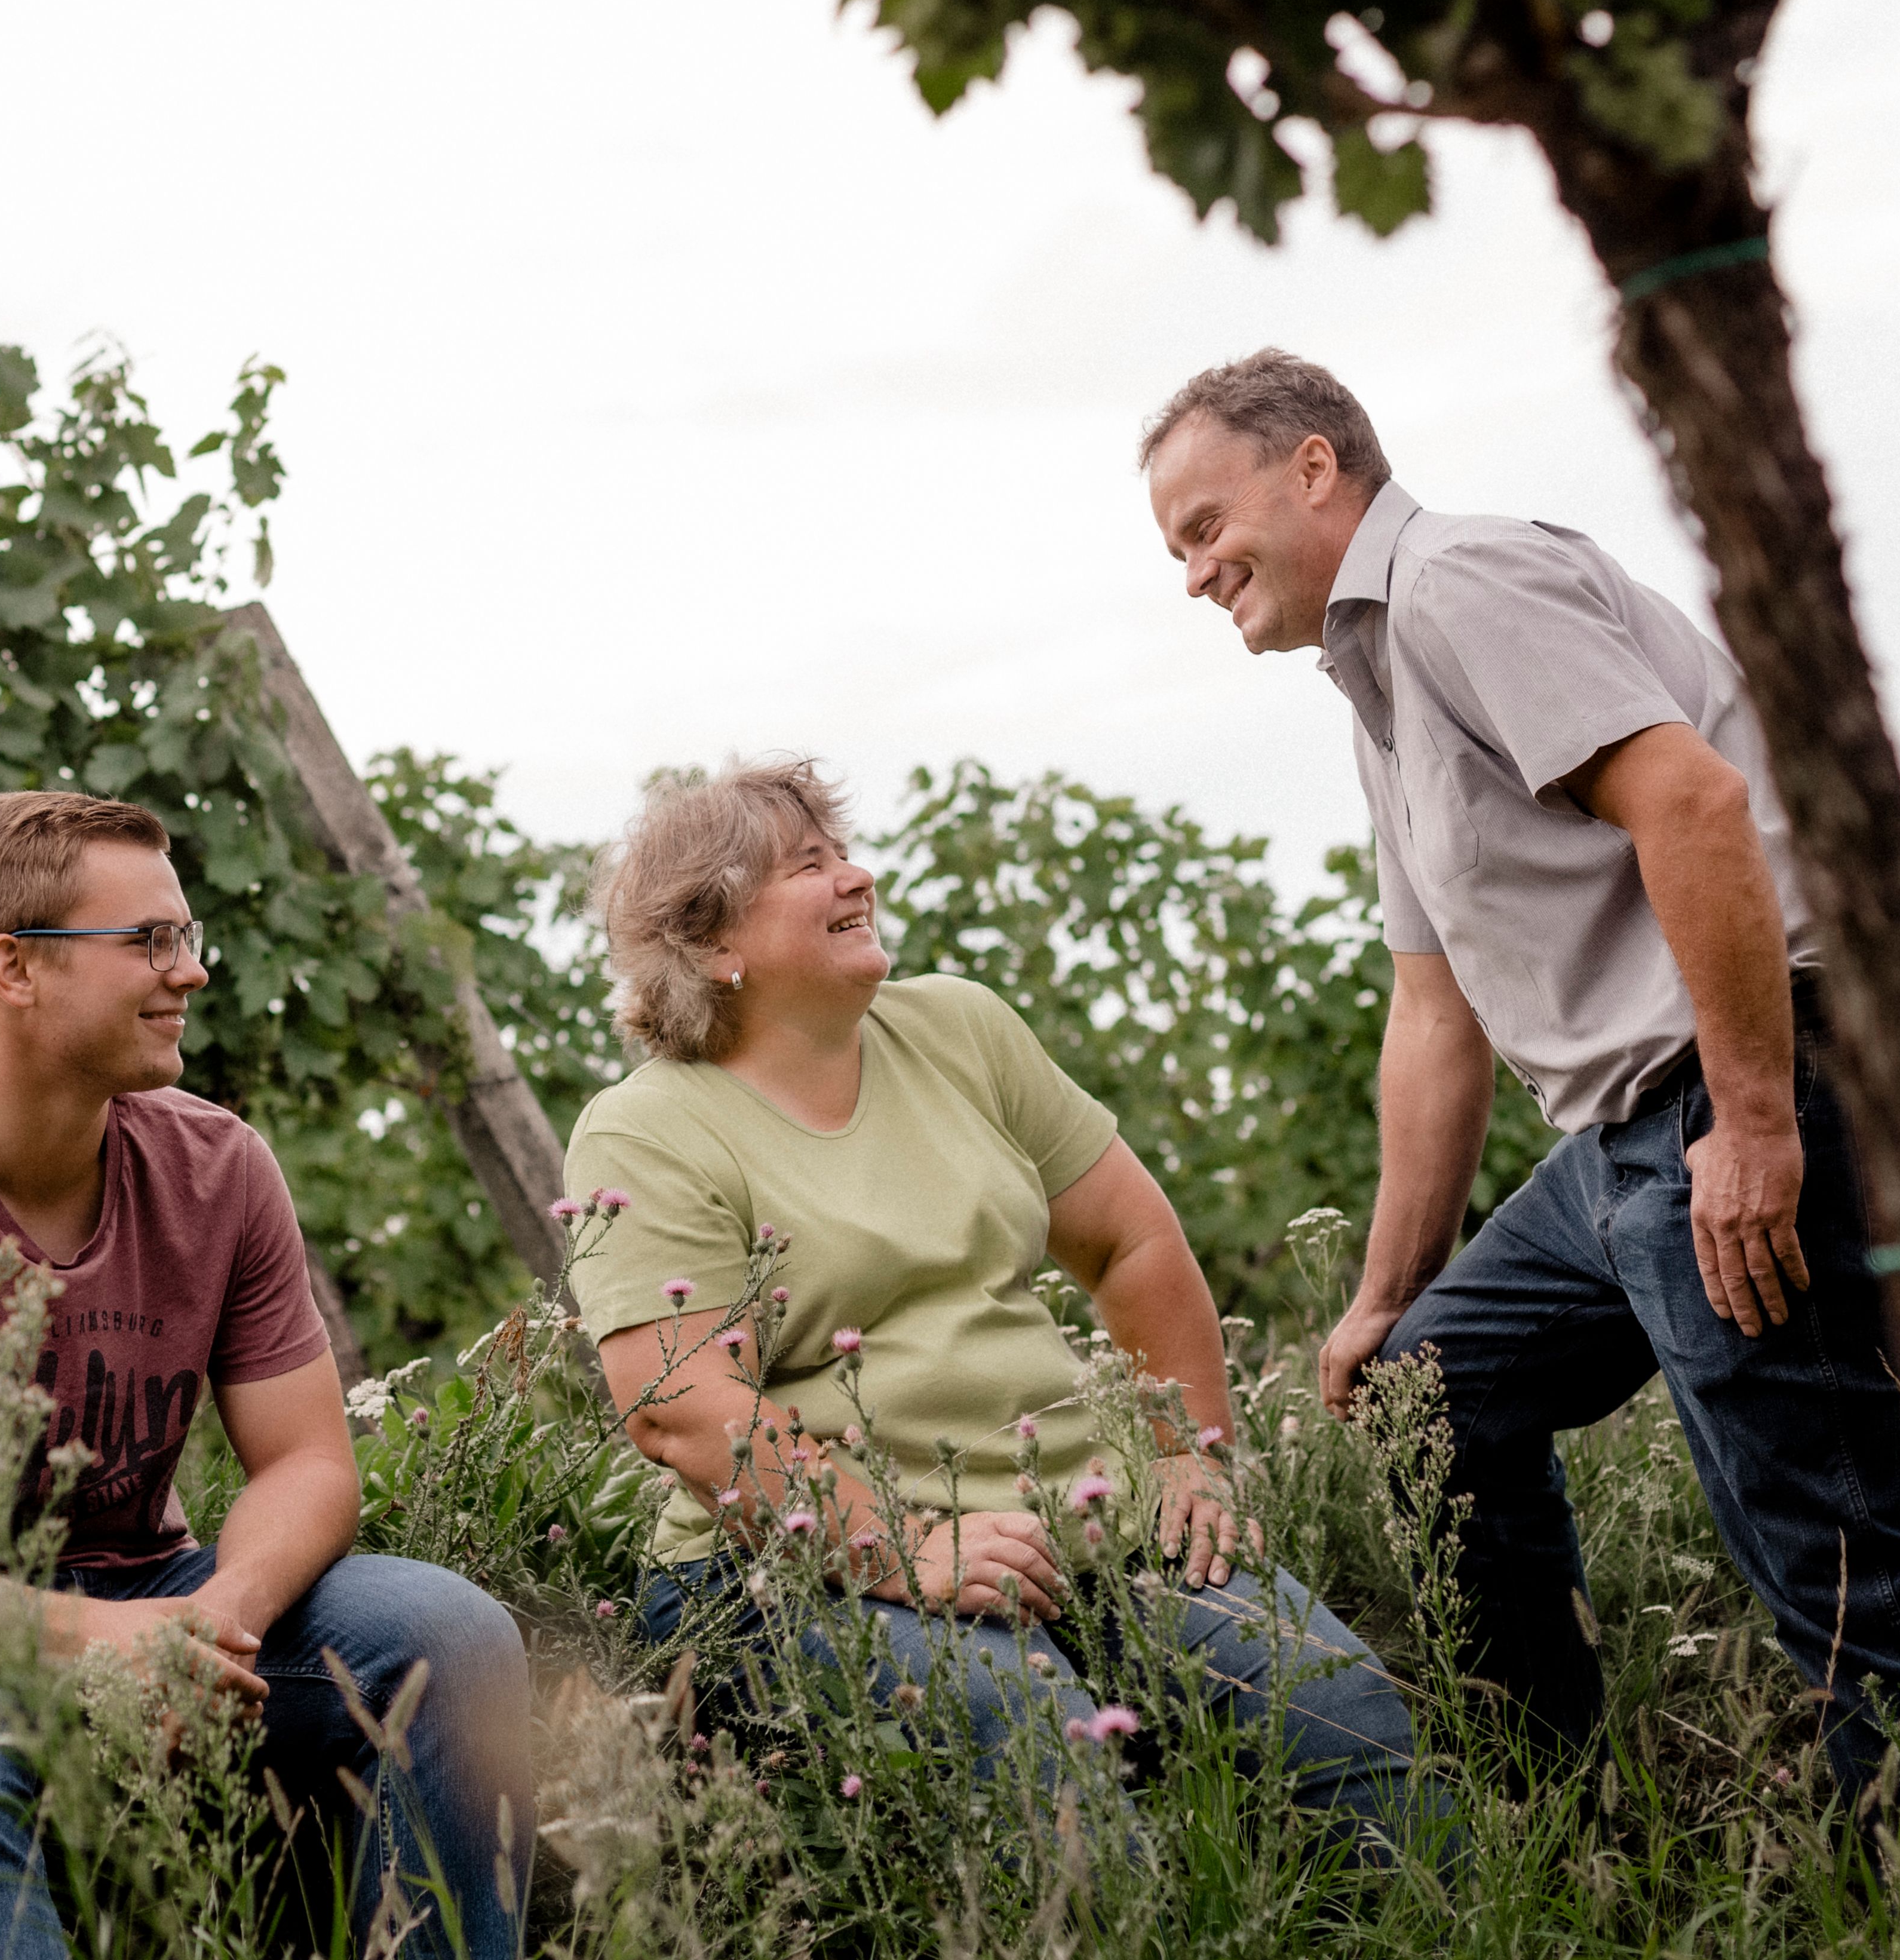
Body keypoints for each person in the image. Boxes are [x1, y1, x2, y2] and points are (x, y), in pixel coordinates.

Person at [1137, 347, 1900, 1804]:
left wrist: (1754, 1120)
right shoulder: (1379, 689)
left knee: (1839, 1557)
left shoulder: (1466, 582)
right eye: (1175, 550)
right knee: (1429, 1392)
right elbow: (1436, 1015)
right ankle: (1558, 1802)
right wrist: (1382, 1294)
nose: (1194, 572)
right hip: (1622, 1144)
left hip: (1749, 1085)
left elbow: (1693, 801)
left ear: (1313, 468)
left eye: (1205, 526)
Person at [0, 791, 532, 1960]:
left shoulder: (218, 1166)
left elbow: (306, 1462)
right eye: (148, 941)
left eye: (186, 938)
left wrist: (214, 1620)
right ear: (15, 968)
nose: (188, 973)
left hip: (161, 1596)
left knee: (444, 1636)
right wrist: (97, 1641)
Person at [561, 757, 1429, 1845]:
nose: (858, 878)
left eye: (845, 853)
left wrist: (1182, 1445)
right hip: (800, 1572)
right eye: (810, 867)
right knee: (1061, 1788)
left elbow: (1131, 1240)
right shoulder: (648, 1128)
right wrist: (901, 1548)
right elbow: (677, 1403)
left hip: (1090, 1521)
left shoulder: (961, 1030)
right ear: (714, 942)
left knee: (1353, 1727)